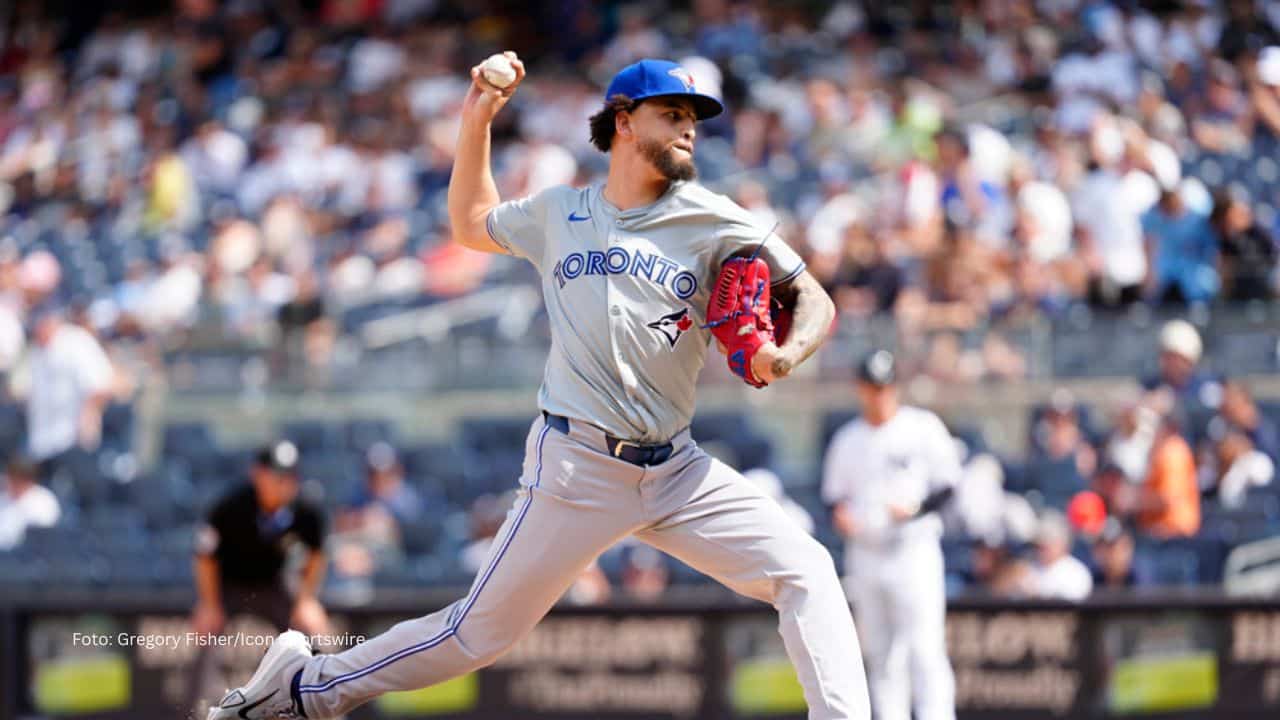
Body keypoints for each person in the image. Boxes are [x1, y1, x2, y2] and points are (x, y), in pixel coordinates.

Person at [209, 56, 869, 720]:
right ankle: (303, 688)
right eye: (672, 114)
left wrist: (784, 354)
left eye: (693, 118)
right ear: (623, 121)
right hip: (577, 468)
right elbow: (471, 222)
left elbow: (811, 298)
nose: (689, 129)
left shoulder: (713, 216)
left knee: (806, 570)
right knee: (475, 635)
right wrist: (479, 120)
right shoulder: (561, 212)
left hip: (676, 468)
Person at [822, 350, 957, 720]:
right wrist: (841, 515)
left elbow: (949, 487)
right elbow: (833, 497)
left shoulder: (922, 427)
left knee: (925, 649)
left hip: (913, 550)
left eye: (884, 387)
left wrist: (915, 509)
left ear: (895, 387)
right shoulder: (847, 439)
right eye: (872, 387)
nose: (879, 395)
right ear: (861, 389)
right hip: (866, 552)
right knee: (880, 654)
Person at [190, 441, 329, 714]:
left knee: (313, 627)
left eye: (289, 476)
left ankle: (328, 707)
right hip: (229, 584)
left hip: (275, 582)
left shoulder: (305, 508)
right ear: (258, 474)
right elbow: (204, 557)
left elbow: (316, 555)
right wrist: (208, 603)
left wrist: (306, 600)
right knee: (205, 629)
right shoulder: (231, 506)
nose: (284, 482)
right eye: (277, 475)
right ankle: (197, 711)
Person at [23, 305, 114, 472]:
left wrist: (87, 421)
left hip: (72, 440)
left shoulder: (76, 341)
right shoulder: (35, 349)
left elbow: (101, 384)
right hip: (41, 443)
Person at [1027, 510, 1093, 601]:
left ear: (1062, 543)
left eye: (1048, 541)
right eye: (1040, 543)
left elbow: (1073, 602)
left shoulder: (1076, 572)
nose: (1042, 546)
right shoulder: (1027, 567)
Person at [0, 456, 61, 550]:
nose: (13, 483)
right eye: (12, 478)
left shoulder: (44, 501)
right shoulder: (3, 496)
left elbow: (45, 538)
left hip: (29, 556)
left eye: (18, 480)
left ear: (29, 481)